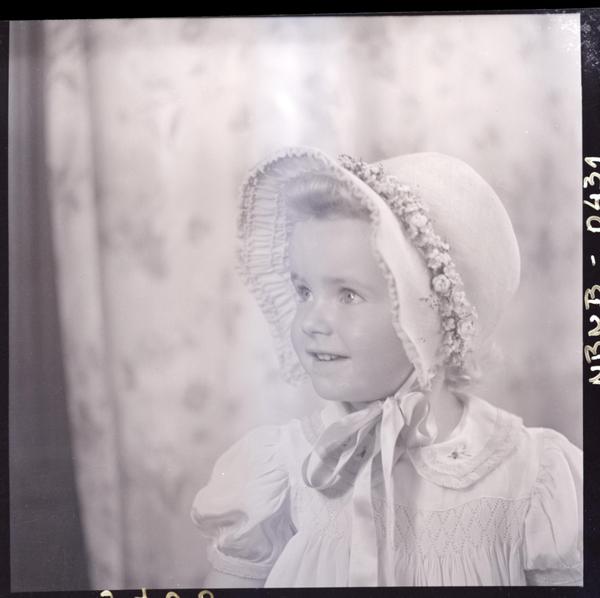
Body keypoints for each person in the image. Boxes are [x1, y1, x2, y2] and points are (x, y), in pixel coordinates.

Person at [190, 146, 583, 587]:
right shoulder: (285, 471)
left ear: (433, 317)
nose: (311, 322)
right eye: (304, 291)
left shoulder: (531, 479)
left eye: (348, 295)